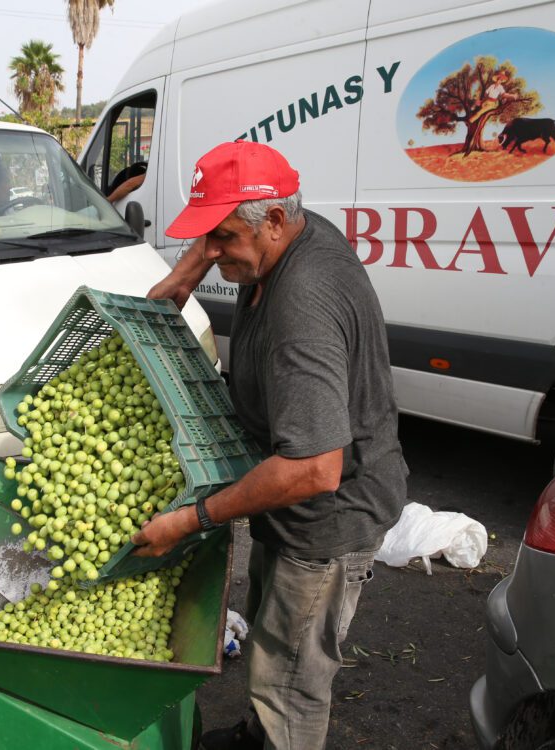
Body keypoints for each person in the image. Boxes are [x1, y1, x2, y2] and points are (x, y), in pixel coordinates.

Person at [130, 140, 408, 750]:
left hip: (325, 521)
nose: (216, 251)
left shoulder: (302, 303)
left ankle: (276, 734)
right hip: (284, 507)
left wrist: (190, 519)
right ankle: (256, 732)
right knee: (267, 637)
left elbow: (312, 468)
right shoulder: (290, 234)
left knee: (291, 680)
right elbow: (172, 291)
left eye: (224, 237)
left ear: (275, 221)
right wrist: (191, 267)